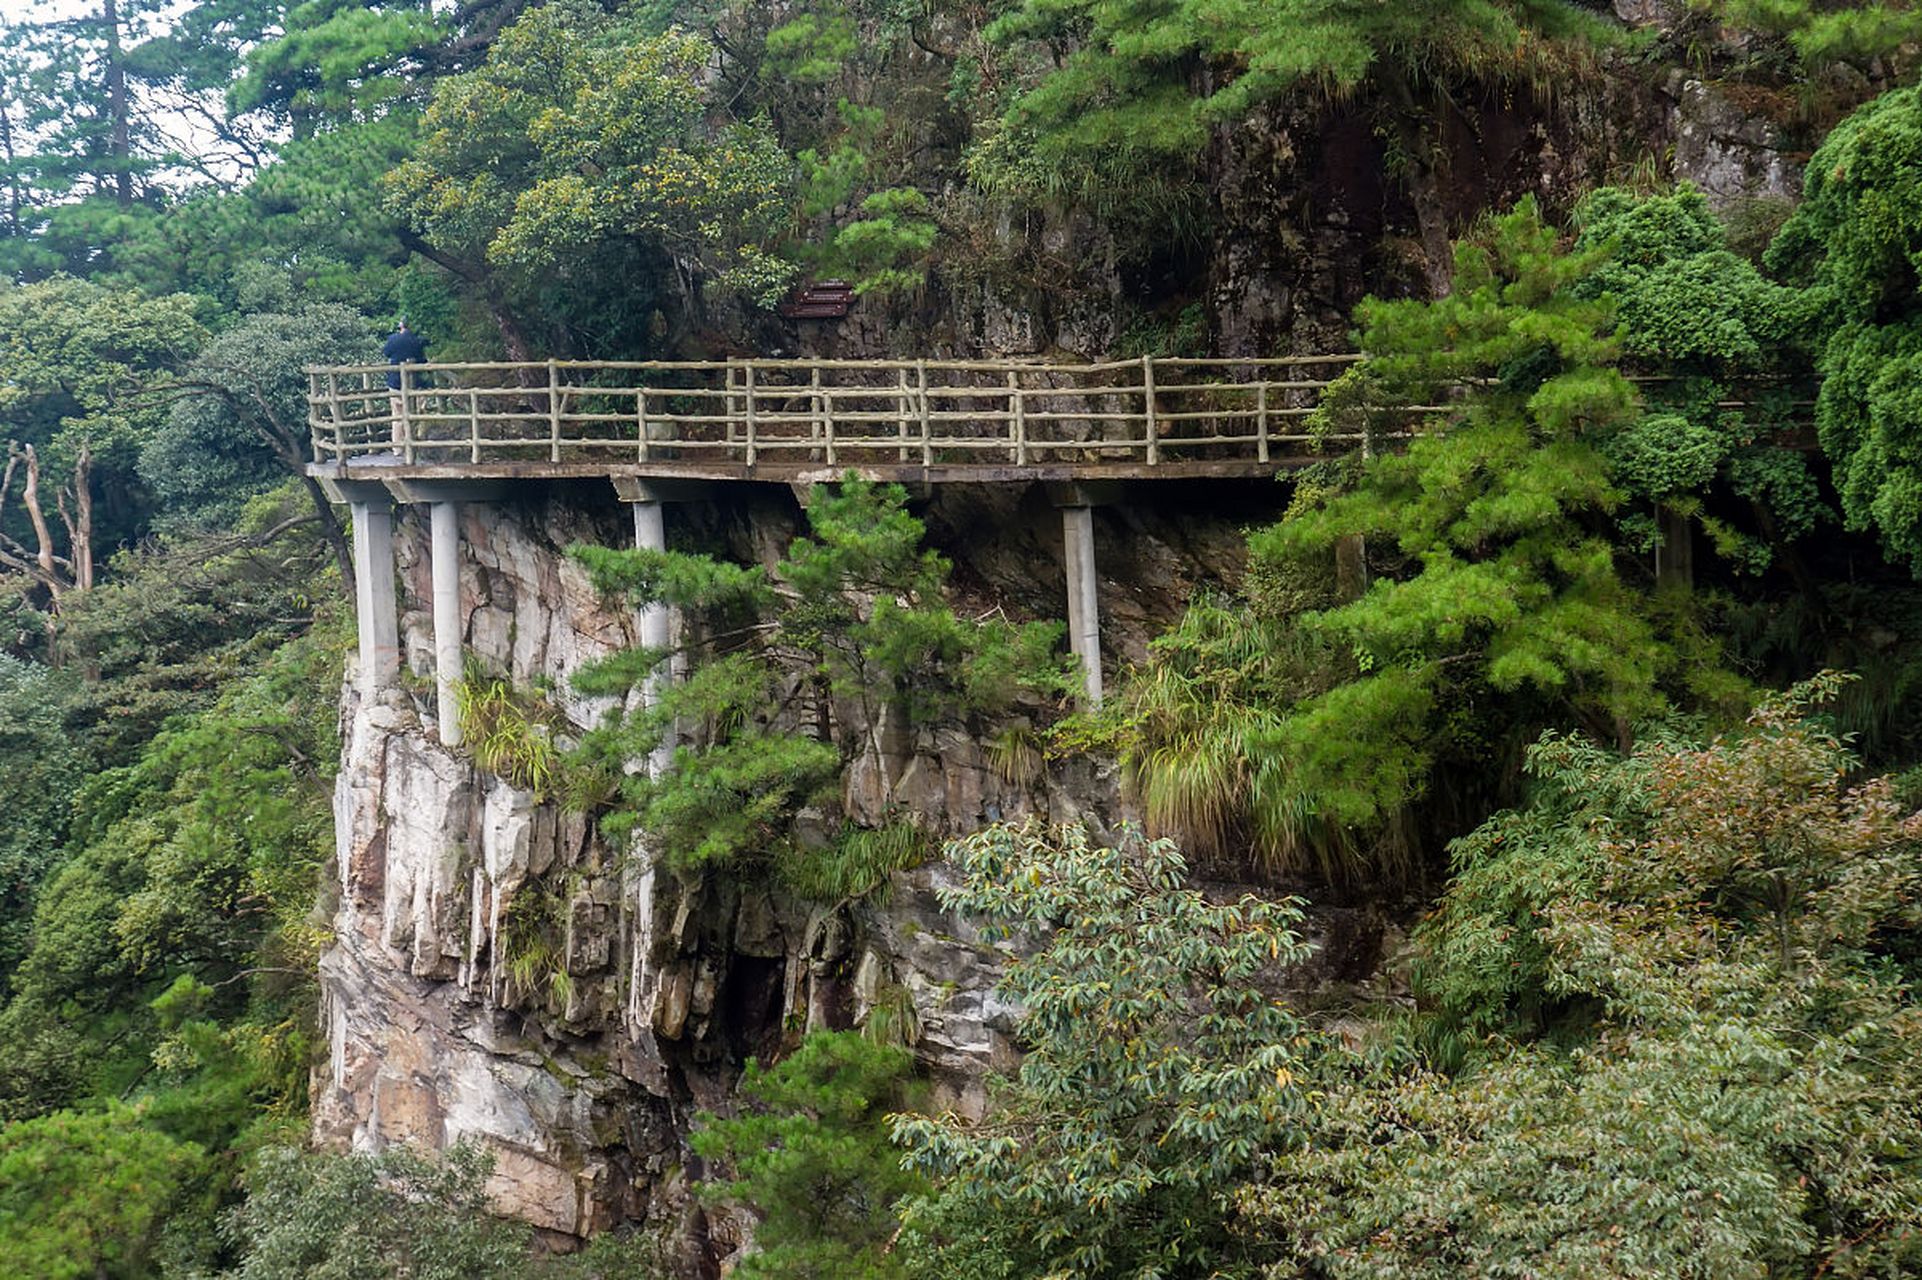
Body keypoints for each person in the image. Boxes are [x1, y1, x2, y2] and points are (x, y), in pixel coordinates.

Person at [383, 319, 429, 445]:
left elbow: (386, 353)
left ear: (401, 325)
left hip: (395, 382)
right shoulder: (418, 341)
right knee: (420, 412)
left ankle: (398, 446)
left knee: (397, 416)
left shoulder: (393, 339)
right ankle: (419, 441)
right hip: (416, 382)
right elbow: (422, 359)